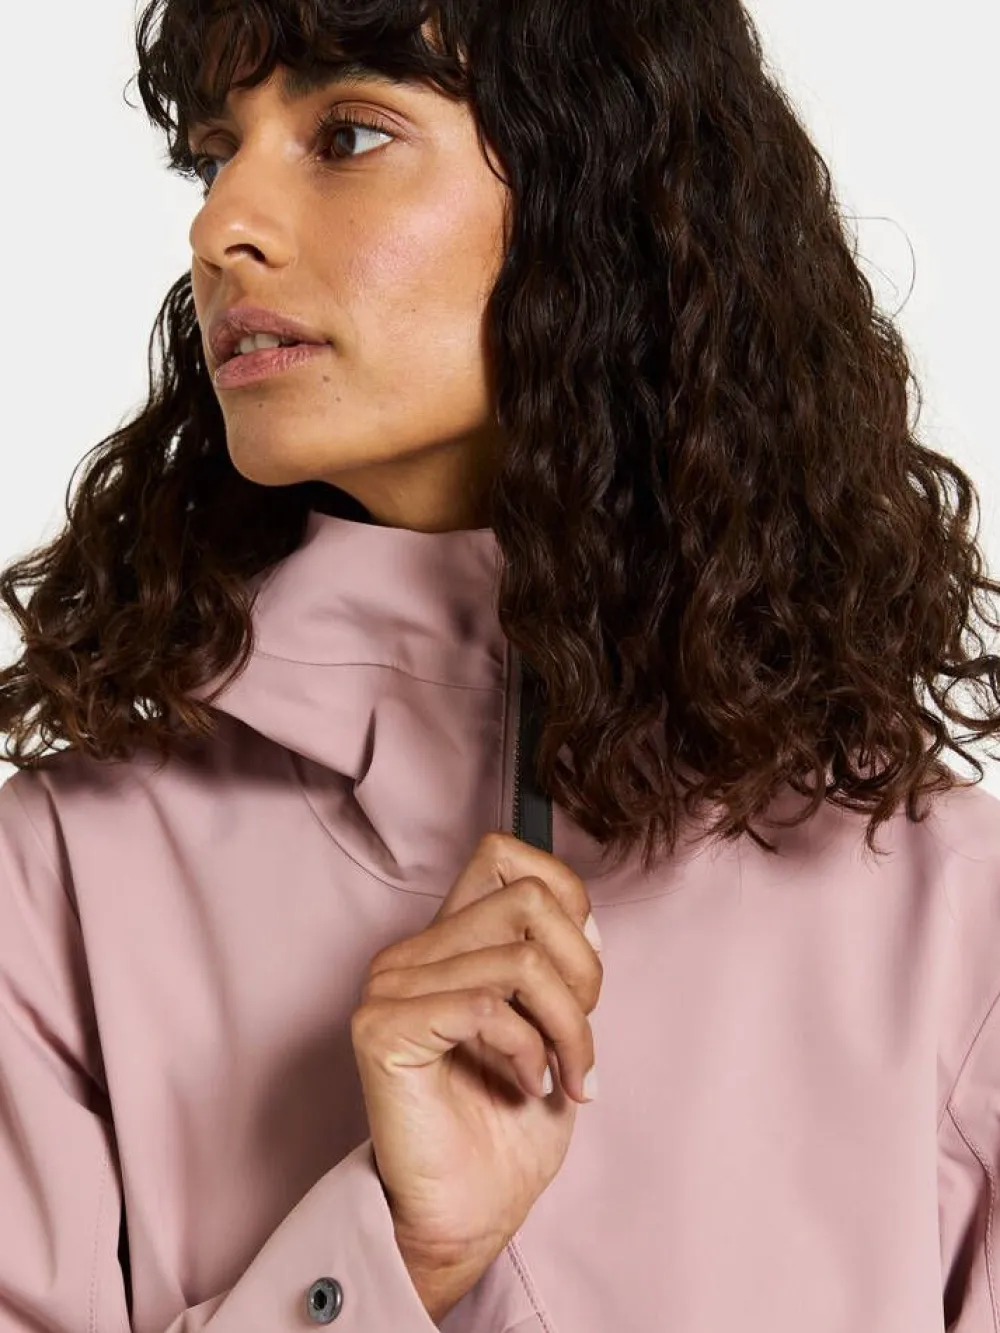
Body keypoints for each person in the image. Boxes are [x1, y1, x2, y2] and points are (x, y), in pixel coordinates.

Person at [1, 0, 999, 1329]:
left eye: (347, 134)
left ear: (601, 189)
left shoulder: (943, 915)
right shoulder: (61, 882)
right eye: (214, 153)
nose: (220, 226)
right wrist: (387, 1258)